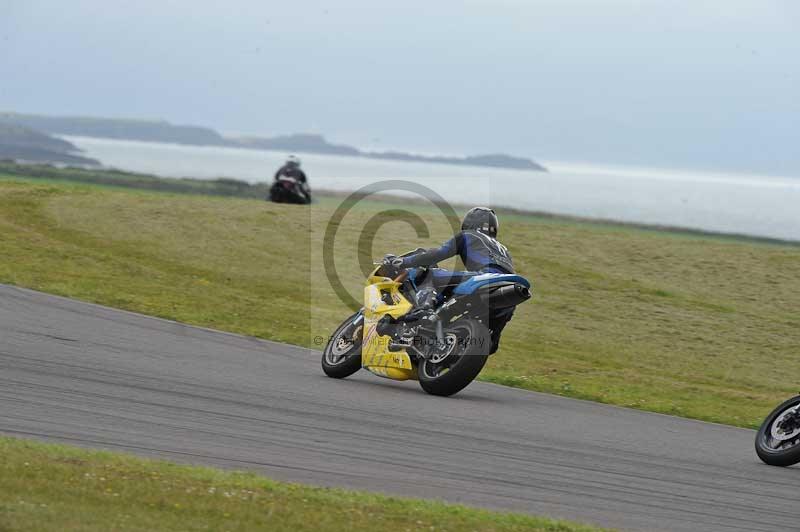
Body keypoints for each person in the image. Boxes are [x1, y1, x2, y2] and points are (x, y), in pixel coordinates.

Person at [384, 207, 516, 353]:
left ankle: (425, 309)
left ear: (469, 223)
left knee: (428, 273)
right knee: (491, 343)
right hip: (508, 290)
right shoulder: (504, 249)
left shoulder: (468, 235)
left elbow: (437, 254)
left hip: (483, 278)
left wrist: (403, 262)